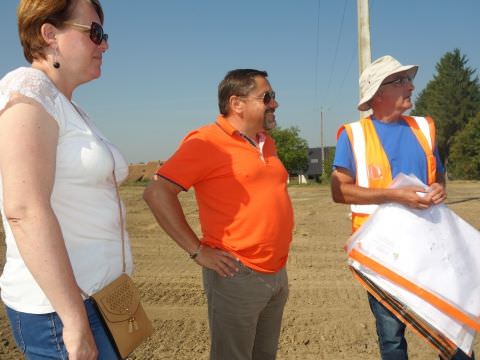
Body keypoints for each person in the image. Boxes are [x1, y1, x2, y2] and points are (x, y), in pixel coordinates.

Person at [0, 1, 132, 359]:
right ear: (49, 34)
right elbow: (24, 209)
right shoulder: (28, 88)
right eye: (95, 33)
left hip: (96, 300)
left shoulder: (67, 105)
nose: (104, 45)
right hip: (61, 312)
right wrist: (74, 321)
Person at [144, 69, 294, 360]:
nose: (275, 104)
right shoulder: (207, 141)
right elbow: (157, 193)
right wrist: (197, 251)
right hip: (236, 274)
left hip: (276, 271)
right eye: (268, 97)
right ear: (236, 103)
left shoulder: (266, 142)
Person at [331, 55, 474, 360]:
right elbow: (339, 190)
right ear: (378, 94)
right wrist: (396, 196)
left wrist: (439, 189)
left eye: (408, 79)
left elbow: (439, 178)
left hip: (432, 245)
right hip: (383, 253)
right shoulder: (353, 134)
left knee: (455, 332)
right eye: (401, 81)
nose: (411, 86)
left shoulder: (424, 128)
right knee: (392, 337)